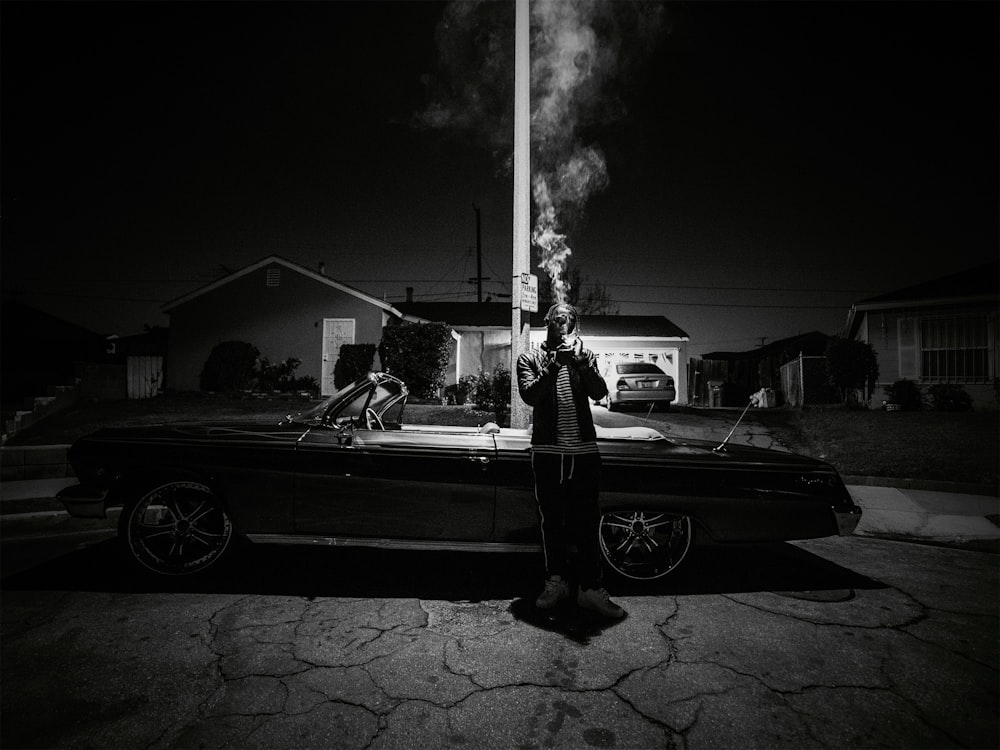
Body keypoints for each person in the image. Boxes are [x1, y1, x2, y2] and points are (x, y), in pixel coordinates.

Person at [516, 302, 625, 619]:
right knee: (551, 522)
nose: (564, 324)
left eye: (571, 320)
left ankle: (590, 590)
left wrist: (581, 365)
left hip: (584, 453)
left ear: (576, 326)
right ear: (548, 323)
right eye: (558, 318)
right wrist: (553, 366)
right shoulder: (531, 358)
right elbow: (530, 396)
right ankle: (556, 583)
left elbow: (599, 391)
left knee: (587, 523)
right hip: (549, 454)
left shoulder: (585, 356)